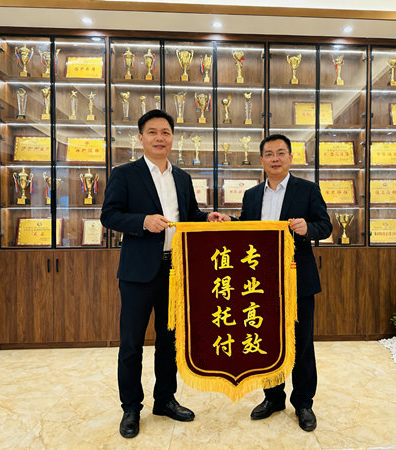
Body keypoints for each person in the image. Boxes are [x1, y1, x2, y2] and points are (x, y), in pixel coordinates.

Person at [101, 109, 230, 439]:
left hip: (176, 270)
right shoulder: (124, 174)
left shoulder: (182, 178)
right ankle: (131, 407)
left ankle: (165, 400)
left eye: (165, 132)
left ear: (173, 138)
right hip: (138, 271)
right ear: (140, 138)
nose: (160, 138)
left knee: (169, 341)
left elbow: (189, 215)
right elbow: (109, 215)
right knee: (132, 342)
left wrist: (206, 218)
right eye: (152, 132)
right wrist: (143, 222)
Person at [239, 134, 332, 432]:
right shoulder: (251, 195)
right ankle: (273, 398)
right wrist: (227, 224)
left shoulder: (307, 189)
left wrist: (308, 228)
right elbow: (245, 230)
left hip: (297, 279)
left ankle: (303, 402)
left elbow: (325, 226)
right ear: (262, 160)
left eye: (281, 153)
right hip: (261, 281)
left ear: (290, 158)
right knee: (268, 341)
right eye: (269, 153)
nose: (275, 158)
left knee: (301, 342)